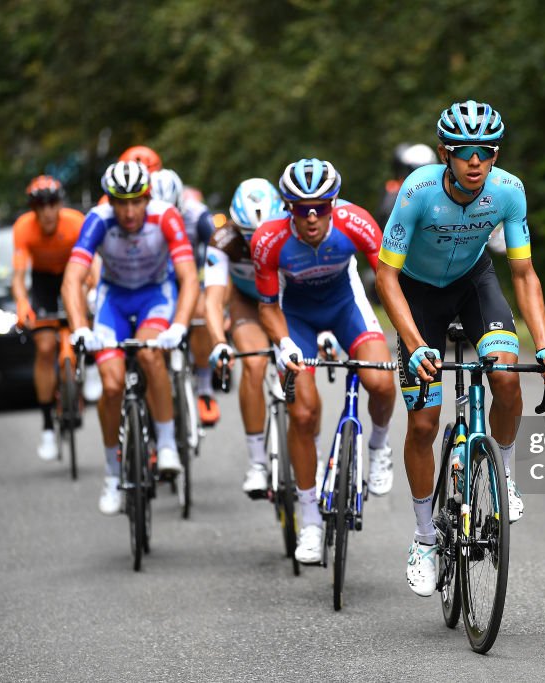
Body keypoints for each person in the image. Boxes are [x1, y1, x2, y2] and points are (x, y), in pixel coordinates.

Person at [375, 99, 545, 596]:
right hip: (418, 293)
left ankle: (502, 473)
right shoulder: (417, 191)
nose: (476, 160)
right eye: (464, 151)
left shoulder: (508, 191)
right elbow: (386, 274)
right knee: (423, 422)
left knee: (504, 377)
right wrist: (416, 345)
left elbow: (523, 272)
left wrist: (544, 346)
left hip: (473, 283)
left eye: (486, 151)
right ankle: (423, 538)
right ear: (446, 153)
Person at [252, 158, 397, 564]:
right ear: (286, 206)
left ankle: (379, 446)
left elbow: (389, 280)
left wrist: (411, 331)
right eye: (301, 208)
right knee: (303, 414)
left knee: (382, 383)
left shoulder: (357, 222)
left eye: (321, 206)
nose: (312, 217)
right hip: (295, 318)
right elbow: (267, 306)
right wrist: (283, 343)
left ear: (335, 202)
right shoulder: (268, 239)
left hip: (346, 308)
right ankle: (311, 519)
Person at [61, 161, 200, 515]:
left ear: (147, 198)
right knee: (111, 386)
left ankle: (167, 445)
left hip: (156, 295)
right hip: (115, 301)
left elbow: (188, 277)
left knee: (152, 355)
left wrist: (180, 326)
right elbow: (73, 279)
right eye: (120, 202)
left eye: (136, 201)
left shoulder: (165, 216)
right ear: (110, 201)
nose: (128, 211)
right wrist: (79, 329)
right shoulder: (98, 219)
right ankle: (112, 473)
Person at [204, 178, 286, 496]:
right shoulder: (222, 239)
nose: (257, 242)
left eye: (262, 232)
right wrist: (218, 341)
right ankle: (257, 463)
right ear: (236, 225)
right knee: (252, 365)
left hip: (284, 302)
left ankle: (314, 455)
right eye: (249, 234)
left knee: (299, 371)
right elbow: (212, 299)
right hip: (247, 303)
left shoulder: (290, 231)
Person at [11, 176, 86, 460]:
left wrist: (89, 290)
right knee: (44, 347)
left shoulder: (75, 221)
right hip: (42, 282)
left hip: (72, 274)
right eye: (39, 206)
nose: (47, 212)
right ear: (32, 209)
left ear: (60, 204)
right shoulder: (23, 229)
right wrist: (22, 304)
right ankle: (46, 427)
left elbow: (90, 264)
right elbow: (19, 276)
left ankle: (85, 369)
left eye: (52, 204)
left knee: (81, 319)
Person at [150, 168, 219, 425]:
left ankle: (204, 388)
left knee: (200, 315)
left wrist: (216, 301)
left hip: (194, 277)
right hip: (159, 281)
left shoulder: (198, 214)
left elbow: (217, 255)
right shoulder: (143, 218)